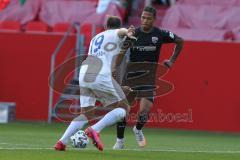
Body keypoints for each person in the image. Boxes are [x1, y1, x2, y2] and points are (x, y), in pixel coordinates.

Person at [54, 16, 136, 151]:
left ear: (105, 26)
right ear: (117, 26)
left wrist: (118, 87)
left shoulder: (96, 38)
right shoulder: (115, 33)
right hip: (100, 73)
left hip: (85, 73)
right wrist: (127, 32)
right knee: (124, 108)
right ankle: (95, 130)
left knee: (86, 113)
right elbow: (120, 32)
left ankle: (62, 142)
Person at [113, 6, 184, 149]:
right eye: (143, 17)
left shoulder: (160, 34)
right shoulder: (133, 34)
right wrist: (114, 69)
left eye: (148, 18)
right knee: (122, 110)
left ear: (154, 20)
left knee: (144, 111)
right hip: (131, 75)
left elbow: (180, 41)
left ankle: (138, 129)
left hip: (148, 78)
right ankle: (120, 141)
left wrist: (171, 60)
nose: (145, 20)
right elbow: (121, 52)